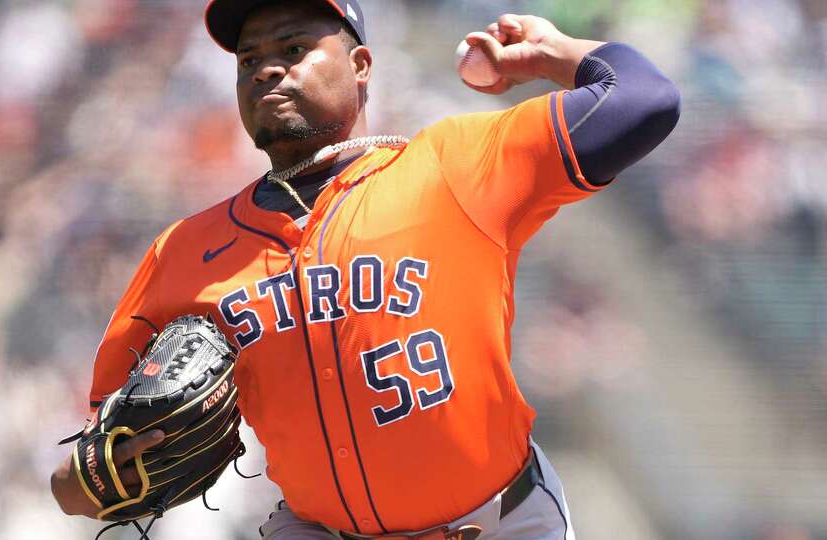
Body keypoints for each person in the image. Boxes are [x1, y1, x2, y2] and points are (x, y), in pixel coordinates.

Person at [51, 1, 681, 538]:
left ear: (360, 68)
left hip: (497, 523)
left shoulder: (456, 168)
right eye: (248, 60)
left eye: (294, 47)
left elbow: (645, 101)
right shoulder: (185, 252)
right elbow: (85, 468)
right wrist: (92, 476)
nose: (267, 67)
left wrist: (557, 56)